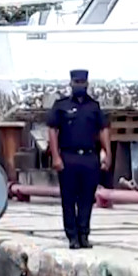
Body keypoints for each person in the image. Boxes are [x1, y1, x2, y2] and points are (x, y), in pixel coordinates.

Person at [46, 69, 111, 250]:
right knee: (68, 198)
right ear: (71, 83)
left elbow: (104, 129)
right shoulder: (61, 106)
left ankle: (84, 234)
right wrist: (56, 156)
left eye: (82, 82)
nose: (79, 85)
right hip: (68, 157)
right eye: (76, 82)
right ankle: (72, 236)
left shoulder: (94, 107)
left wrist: (108, 154)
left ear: (87, 84)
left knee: (86, 198)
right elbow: (52, 130)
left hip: (90, 157)